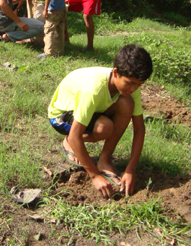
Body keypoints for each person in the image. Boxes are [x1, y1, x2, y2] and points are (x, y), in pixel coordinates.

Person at [48, 44, 153, 198]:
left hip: (93, 109)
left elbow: (139, 129)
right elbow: (75, 134)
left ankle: (104, 160)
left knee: (127, 103)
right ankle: (69, 143)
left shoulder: (131, 87)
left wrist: (130, 170)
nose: (134, 89)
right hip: (61, 115)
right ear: (116, 72)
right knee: (104, 128)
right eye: (130, 83)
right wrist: (95, 176)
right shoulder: (93, 89)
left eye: (139, 85)